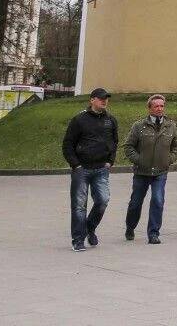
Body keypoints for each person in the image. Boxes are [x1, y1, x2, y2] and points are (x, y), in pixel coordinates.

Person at [62, 88, 118, 251]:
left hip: (101, 168)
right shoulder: (79, 120)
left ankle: (89, 227)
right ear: (92, 100)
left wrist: (110, 161)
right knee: (79, 206)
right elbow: (68, 144)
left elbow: (114, 142)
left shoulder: (110, 120)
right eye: (101, 98)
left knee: (102, 201)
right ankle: (78, 239)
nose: (104, 101)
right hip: (82, 169)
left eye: (106, 98)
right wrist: (75, 165)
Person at [123, 94, 177, 244]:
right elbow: (128, 147)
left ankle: (153, 233)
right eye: (156, 106)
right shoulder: (139, 126)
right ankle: (130, 226)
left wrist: (169, 159)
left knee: (158, 201)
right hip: (142, 172)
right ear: (149, 108)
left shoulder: (170, 126)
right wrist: (139, 160)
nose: (160, 109)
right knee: (136, 202)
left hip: (160, 171)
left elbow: (176, 146)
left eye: (162, 106)